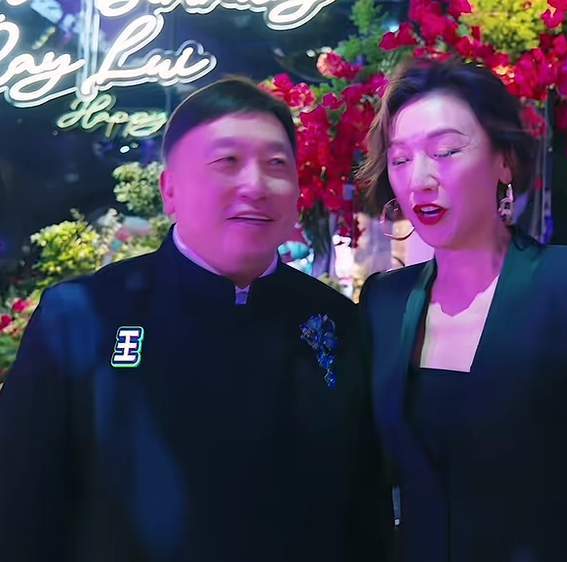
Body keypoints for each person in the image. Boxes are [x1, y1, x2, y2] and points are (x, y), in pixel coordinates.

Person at [0, 77, 391, 562]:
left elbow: (365, 513)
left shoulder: (337, 323)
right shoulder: (83, 316)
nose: (255, 185)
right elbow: (20, 509)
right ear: (170, 191)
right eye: (227, 161)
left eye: (276, 164)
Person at [357, 58, 567, 562]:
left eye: (446, 151)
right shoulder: (384, 301)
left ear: (504, 161)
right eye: (400, 159)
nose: (419, 178)